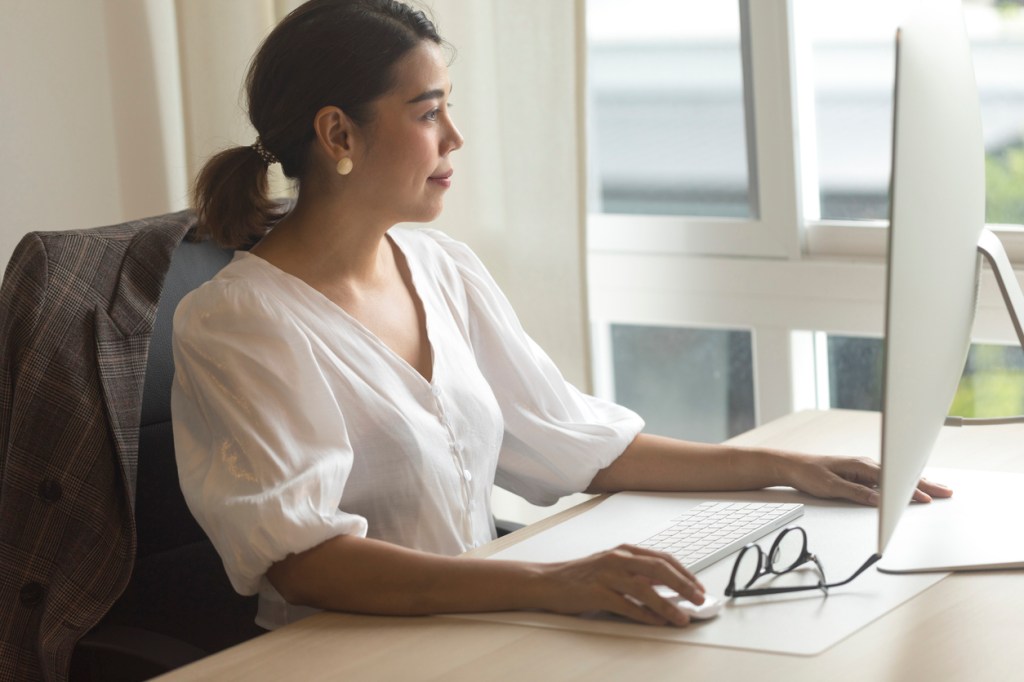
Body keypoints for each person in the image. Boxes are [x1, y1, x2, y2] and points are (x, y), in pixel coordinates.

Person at [171, 0, 951, 632]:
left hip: (481, 626)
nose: (455, 137)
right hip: (349, 654)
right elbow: (308, 561)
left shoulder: (442, 269)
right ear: (339, 133)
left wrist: (782, 469)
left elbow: (580, 444)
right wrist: (552, 581)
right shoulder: (239, 322)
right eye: (428, 113)